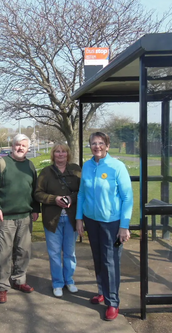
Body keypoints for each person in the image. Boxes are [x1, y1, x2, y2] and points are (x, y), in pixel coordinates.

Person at [75, 132, 133, 321]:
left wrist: (124, 226)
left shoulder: (117, 167)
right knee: (98, 259)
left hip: (112, 223)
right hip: (92, 221)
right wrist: (79, 218)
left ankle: (113, 302)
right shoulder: (87, 166)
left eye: (101, 143)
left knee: (110, 262)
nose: (97, 146)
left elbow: (127, 197)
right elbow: (82, 194)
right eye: (93, 143)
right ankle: (102, 291)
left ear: (107, 146)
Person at [0, 133, 40, 304]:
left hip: (25, 216)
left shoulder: (30, 166)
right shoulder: (1, 164)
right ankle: (2, 286)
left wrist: (36, 208)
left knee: (23, 251)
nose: (20, 148)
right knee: (3, 252)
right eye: (17, 145)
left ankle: (19, 280)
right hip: (6, 218)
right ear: (12, 146)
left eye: (23, 146)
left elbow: (34, 190)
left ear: (28, 148)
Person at [34, 143, 81, 298]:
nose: (60, 155)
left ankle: (69, 280)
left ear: (68, 154)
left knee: (70, 252)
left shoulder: (76, 170)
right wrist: (55, 199)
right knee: (54, 253)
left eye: (64, 152)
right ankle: (57, 283)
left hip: (71, 218)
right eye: (57, 152)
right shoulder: (46, 172)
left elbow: (83, 192)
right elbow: (38, 194)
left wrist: (70, 198)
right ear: (53, 155)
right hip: (52, 219)